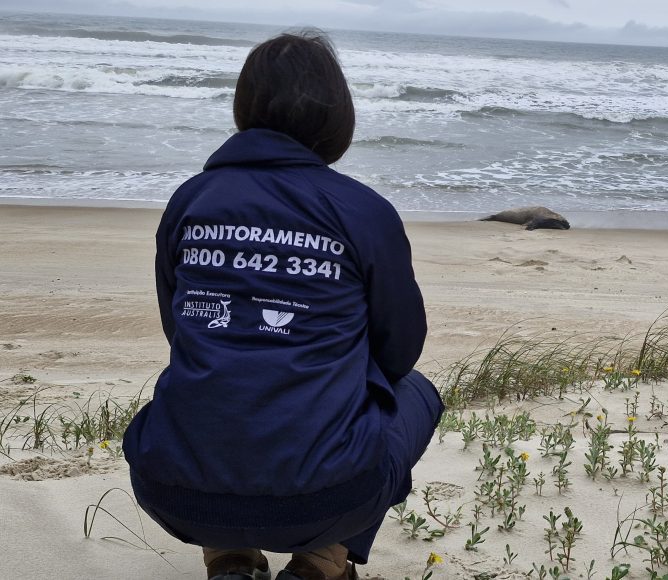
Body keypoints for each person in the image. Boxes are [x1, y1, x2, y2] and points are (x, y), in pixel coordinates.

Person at [123, 30, 444, 580]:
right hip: (327, 498)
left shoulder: (190, 200)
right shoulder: (363, 211)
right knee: (416, 392)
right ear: (338, 117)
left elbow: (180, 328)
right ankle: (321, 561)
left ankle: (230, 556)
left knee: (216, 377)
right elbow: (399, 349)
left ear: (243, 110)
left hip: (172, 490)